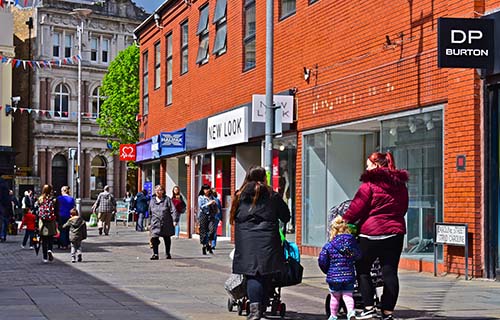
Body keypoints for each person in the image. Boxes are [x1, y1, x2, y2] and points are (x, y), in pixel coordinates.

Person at [342, 151, 409, 320]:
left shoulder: (369, 185)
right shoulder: (400, 185)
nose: (366, 168)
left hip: (371, 234)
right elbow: (404, 208)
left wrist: (344, 220)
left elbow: (357, 208)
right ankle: (387, 312)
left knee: (363, 269)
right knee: (390, 272)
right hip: (395, 233)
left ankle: (369, 307)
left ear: (377, 165)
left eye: (368, 165)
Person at [230, 166, 290, 320]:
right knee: (265, 273)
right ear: (264, 178)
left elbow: (234, 216)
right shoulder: (272, 195)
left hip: (246, 240)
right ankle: (260, 308)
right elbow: (286, 216)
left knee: (252, 274)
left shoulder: (239, 194)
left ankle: (256, 309)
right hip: (267, 239)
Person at [318, 216, 361, 320]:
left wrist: (327, 270)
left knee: (335, 296)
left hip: (333, 276)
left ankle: (333, 316)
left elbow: (322, 260)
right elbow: (358, 255)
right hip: (348, 275)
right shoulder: (352, 243)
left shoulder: (329, 246)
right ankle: (351, 313)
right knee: (348, 295)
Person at [148, 185, 177, 260]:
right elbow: (150, 213)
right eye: (156, 190)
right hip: (155, 222)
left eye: (160, 190)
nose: (158, 191)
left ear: (163, 191)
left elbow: (173, 210)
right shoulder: (152, 200)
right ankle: (155, 254)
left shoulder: (167, 199)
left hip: (166, 222)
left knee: (167, 238)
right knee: (154, 238)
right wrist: (149, 223)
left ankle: (167, 253)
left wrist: (174, 220)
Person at [37, 184, 59, 263]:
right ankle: (50, 250)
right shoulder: (53, 200)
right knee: (50, 238)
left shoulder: (40, 199)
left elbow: (36, 210)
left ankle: (45, 257)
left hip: (43, 222)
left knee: (44, 240)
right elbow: (56, 211)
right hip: (51, 221)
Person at [197, 184, 217, 255]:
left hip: (211, 215)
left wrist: (214, 203)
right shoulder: (201, 197)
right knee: (203, 231)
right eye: (205, 189)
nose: (207, 190)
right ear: (203, 190)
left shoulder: (212, 197)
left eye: (208, 189)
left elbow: (216, 204)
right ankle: (204, 246)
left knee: (212, 230)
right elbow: (201, 206)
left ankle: (210, 245)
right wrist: (209, 203)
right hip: (203, 215)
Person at [0, 177, 11, 242]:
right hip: (4, 206)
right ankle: (2, 235)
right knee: (4, 221)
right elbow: (7, 197)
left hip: (3, 205)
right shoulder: (5, 185)